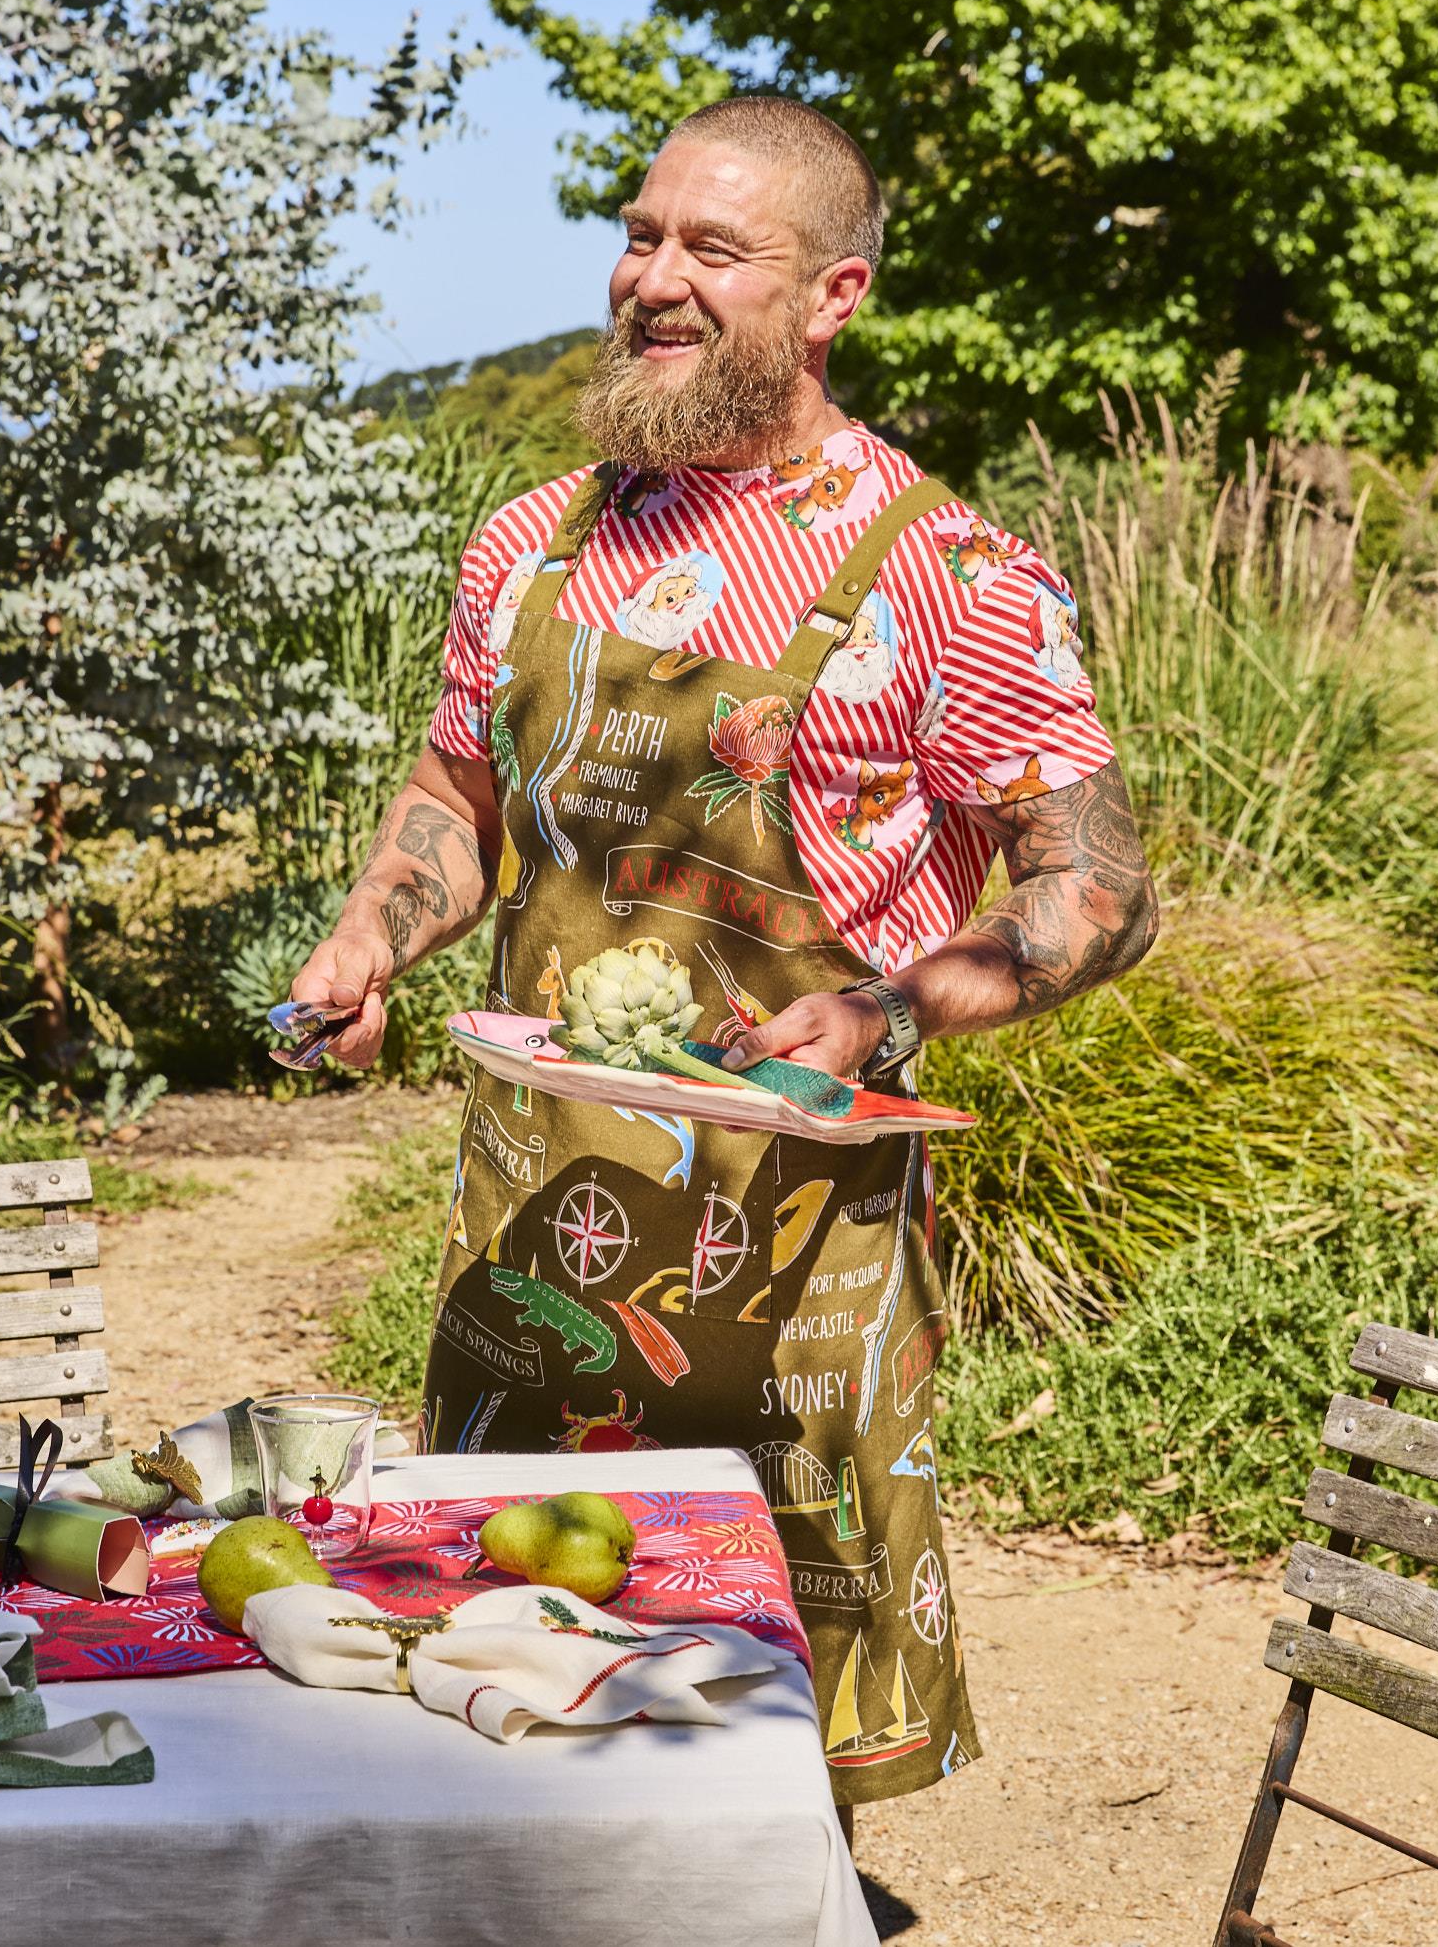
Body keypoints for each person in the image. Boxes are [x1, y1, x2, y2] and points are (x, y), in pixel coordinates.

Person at [291, 95, 1159, 1822]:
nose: (652, 279)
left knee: (747, 1769)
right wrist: (375, 930)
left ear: (831, 295)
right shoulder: (529, 542)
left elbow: (1101, 892)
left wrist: (892, 1003)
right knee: (484, 1717)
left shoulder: (953, 573)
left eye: (713, 248)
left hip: (791, 1276)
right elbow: (456, 791)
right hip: (530, 1244)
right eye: (639, 234)